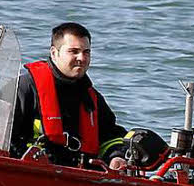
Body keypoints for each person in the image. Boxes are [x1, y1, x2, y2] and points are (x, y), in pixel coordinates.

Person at [10, 22, 127, 169]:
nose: (81, 58)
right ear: (54, 53)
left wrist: (116, 156)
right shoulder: (25, 89)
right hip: (29, 173)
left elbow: (111, 136)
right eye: (74, 51)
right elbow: (1, 137)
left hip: (79, 178)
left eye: (86, 52)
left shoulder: (92, 98)